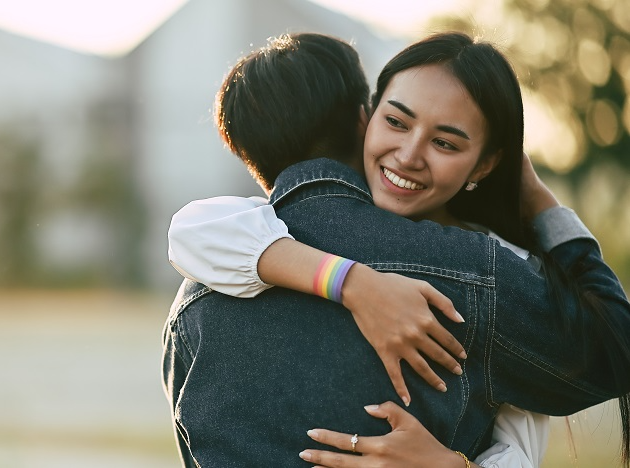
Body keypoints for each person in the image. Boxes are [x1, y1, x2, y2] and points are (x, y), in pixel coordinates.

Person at [162, 32, 630, 467]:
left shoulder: (201, 289)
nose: (408, 155)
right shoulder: (481, 274)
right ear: (365, 116)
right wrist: (354, 284)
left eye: (445, 142)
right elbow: (615, 352)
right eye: (396, 121)